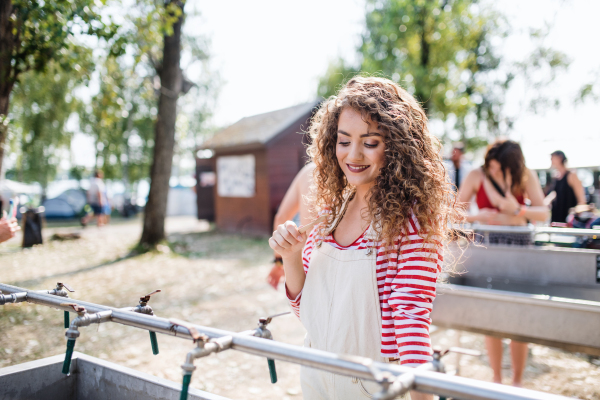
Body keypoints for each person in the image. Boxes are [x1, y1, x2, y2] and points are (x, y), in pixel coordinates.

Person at [269, 77, 459, 400]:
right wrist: (291, 255)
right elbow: (309, 313)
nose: (353, 155)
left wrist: (422, 396)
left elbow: (411, 316)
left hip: (373, 386)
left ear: (397, 146)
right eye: (344, 141)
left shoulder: (411, 221)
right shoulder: (331, 210)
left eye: (370, 142)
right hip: (315, 376)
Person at [457, 140, 549, 386]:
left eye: (500, 168)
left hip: (520, 247)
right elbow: (454, 210)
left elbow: (543, 213)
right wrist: (477, 216)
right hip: (489, 248)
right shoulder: (477, 175)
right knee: (492, 313)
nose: (494, 172)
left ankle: (516, 382)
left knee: (520, 314)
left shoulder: (525, 176)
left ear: (513, 166)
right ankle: (496, 378)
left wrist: (517, 210)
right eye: (492, 167)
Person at [266, 162, 316, 289]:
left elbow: (281, 217)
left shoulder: (308, 171)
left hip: (308, 261)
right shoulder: (354, 173)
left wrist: (279, 262)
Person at [545, 150, 586, 223]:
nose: (551, 160)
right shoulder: (556, 176)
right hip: (557, 218)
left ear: (560, 158)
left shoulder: (572, 175)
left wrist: (577, 212)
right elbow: (555, 193)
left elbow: (581, 199)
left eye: (552, 157)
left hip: (569, 219)